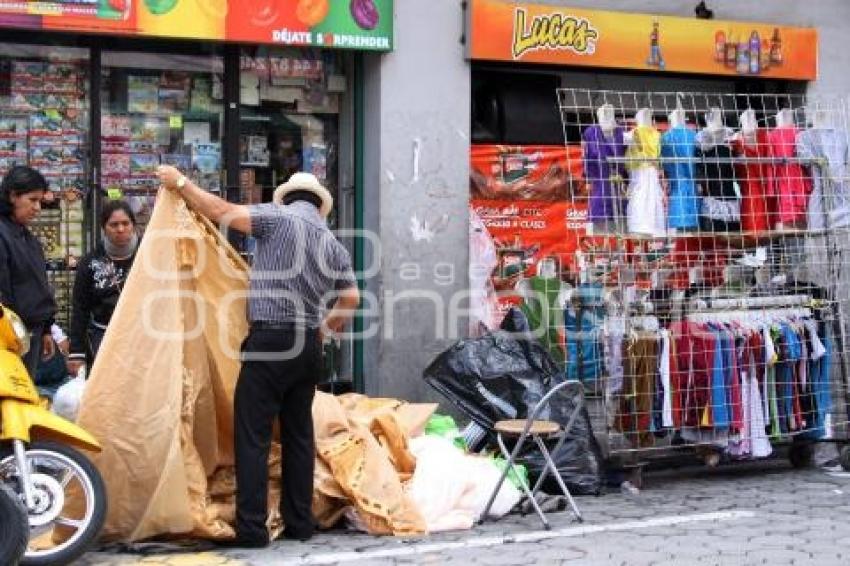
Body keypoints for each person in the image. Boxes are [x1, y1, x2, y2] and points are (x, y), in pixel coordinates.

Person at [156, 165, 360, 547]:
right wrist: (324, 329)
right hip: (308, 349)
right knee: (299, 435)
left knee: (253, 436)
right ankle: (301, 525)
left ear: (289, 199)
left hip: (270, 342)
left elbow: (219, 212)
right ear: (320, 207)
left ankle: (252, 530)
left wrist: (181, 182)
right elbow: (351, 298)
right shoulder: (332, 243)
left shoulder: (276, 218)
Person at [67, 200, 139, 375]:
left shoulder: (150, 255)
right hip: (103, 338)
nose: (120, 229)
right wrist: (76, 353)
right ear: (104, 228)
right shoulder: (90, 262)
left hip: (142, 337)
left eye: (125, 223)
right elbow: (80, 308)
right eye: (114, 224)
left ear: (133, 225)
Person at [0, 165, 56, 376]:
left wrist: (47, 329)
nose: (38, 208)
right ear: (13, 196)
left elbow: (39, 286)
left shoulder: (28, 238)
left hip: (30, 332)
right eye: (32, 200)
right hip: (9, 336)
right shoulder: (3, 234)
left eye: (40, 201)